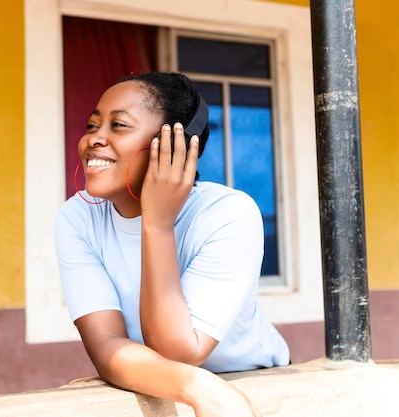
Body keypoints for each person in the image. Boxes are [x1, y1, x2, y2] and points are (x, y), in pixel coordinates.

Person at [54, 72, 289, 417]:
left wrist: (158, 222)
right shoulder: (76, 218)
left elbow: (179, 349)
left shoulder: (227, 214)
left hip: (262, 387)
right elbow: (106, 345)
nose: (95, 139)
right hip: (184, 388)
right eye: (92, 126)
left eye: (118, 126)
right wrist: (197, 387)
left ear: (174, 145)